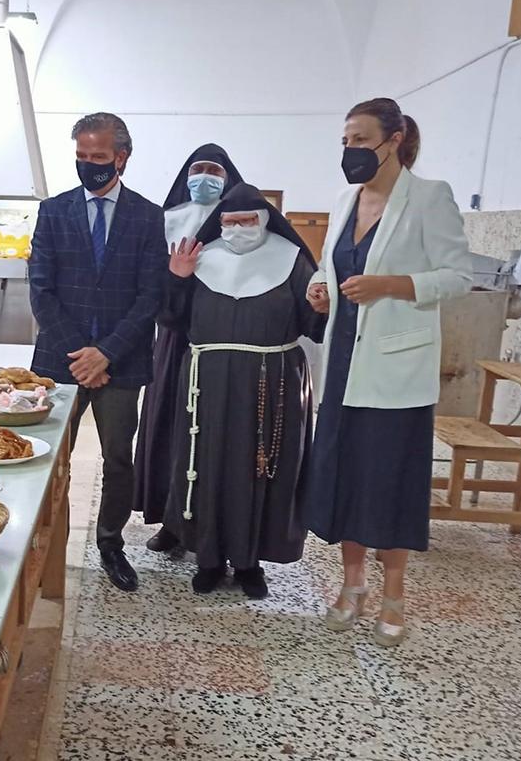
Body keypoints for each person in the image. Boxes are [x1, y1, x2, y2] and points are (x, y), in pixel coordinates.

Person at [305, 98, 471, 645]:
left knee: (388, 485)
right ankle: (352, 586)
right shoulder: (343, 200)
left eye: (361, 139)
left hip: (396, 372)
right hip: (344, 366)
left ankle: (394, 593)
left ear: (394, 139)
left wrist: (394, 285)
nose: (351, 150)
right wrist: (321, 290)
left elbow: (456, 276)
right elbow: (333, 268)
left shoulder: (429, 197)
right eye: (345, 141)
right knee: (349, 481)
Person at [161, 184, 325, 597]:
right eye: (228, 222)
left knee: (260, 467)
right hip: (207, 382)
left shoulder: (292, 261)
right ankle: (209, 558)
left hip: (272, 382)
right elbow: (171, 319)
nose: (236, 229)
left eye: (246, 220)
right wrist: (177, 279)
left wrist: (325, 306)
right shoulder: (201, 259)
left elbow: (316, 326)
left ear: (265, 221)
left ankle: (251, 562)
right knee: (207, 465)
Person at [29, 113, 168, 592]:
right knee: (48, 458)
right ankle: (46, 543)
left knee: (118, 461)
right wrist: (80, 356)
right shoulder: (53, 212)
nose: (89, 165)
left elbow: (150, 296)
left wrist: (105, 354)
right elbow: (41, 292)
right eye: (81, 157)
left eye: (99, 158)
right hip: (60, 362)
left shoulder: (148, 217)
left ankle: (111, 543)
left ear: (121, 158)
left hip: (121, 363)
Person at [133, 144, 244, 556]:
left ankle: (219, 524)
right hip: (175, 339)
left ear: (228, 177)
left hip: (223, 338)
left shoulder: (240, 222)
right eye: (197, 169)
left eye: (214, 169)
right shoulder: (167, 219)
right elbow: (150, 281)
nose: (204, 177)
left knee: (219, 431)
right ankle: (170, 521)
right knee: (171, 428)